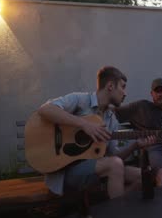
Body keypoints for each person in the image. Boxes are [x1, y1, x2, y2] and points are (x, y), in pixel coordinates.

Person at [38, 66, 155, 199]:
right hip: (65, 172)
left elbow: (114, 155)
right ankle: (119, 214)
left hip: (96, 170)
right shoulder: (81, 100)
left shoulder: (111, 119)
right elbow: (45, 110)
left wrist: (135, 145)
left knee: (143, 177)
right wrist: (84, 124)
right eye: (122, 87)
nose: (125, 93)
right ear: (110, 86)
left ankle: (112, 208)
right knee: (115, 164)